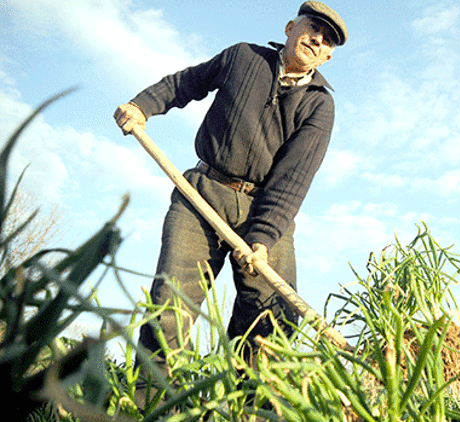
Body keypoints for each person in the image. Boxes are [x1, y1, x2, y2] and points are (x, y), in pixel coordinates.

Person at [113, 0, 347, 384]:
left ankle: (248, 407)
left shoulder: (320, 106)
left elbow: (293, 179)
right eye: (313, 28)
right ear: (291, 27)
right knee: (171, 303)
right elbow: (184, 83)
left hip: (266, 210)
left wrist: (262, 239)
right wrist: (142, 105)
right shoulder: (243, 58)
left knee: (272, 318)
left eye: (327, 42)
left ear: (328, 57)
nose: (318, 40)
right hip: (202, 192)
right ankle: (153, 401)